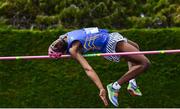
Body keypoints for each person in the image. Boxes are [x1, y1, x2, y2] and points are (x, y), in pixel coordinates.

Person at [48, 27, 150, 107]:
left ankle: (132, 83)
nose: (55, 44)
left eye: (54, 44)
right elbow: (88, 69)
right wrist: (101, 88)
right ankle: (115, 86)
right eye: (55, 46)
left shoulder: (67, 40)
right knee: (145, 63)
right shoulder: (70, 44)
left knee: (136, 47)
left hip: (109, 37)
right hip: (111, 43)